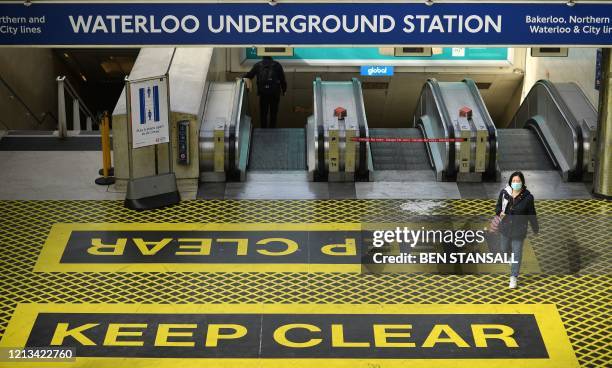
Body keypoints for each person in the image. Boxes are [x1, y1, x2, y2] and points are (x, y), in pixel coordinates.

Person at [495, 171, 539, 289]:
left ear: (522, 182)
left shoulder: (528, 198)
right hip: (505, 228)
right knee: (504, 250)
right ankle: (509, 260)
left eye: (518, 181)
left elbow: (531, 214)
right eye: (513, 181)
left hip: (519, 230)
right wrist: (500, 213)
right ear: (510, 182)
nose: (516, 183)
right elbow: (498, 207)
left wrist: (535, 228)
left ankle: (513, 277)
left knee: (517, 254)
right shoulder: (505, 193)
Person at [242, 56, 287, 129]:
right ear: (271, 57)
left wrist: (243, 77)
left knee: (263, 113)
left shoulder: (258, 65)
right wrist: (284, 90)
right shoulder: (277, 65)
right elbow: (282, 79)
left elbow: (250, 75)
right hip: (275, 93)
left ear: (263, 57)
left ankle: (263, 129)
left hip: (263, 93)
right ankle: (272, 129)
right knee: (273, 112)